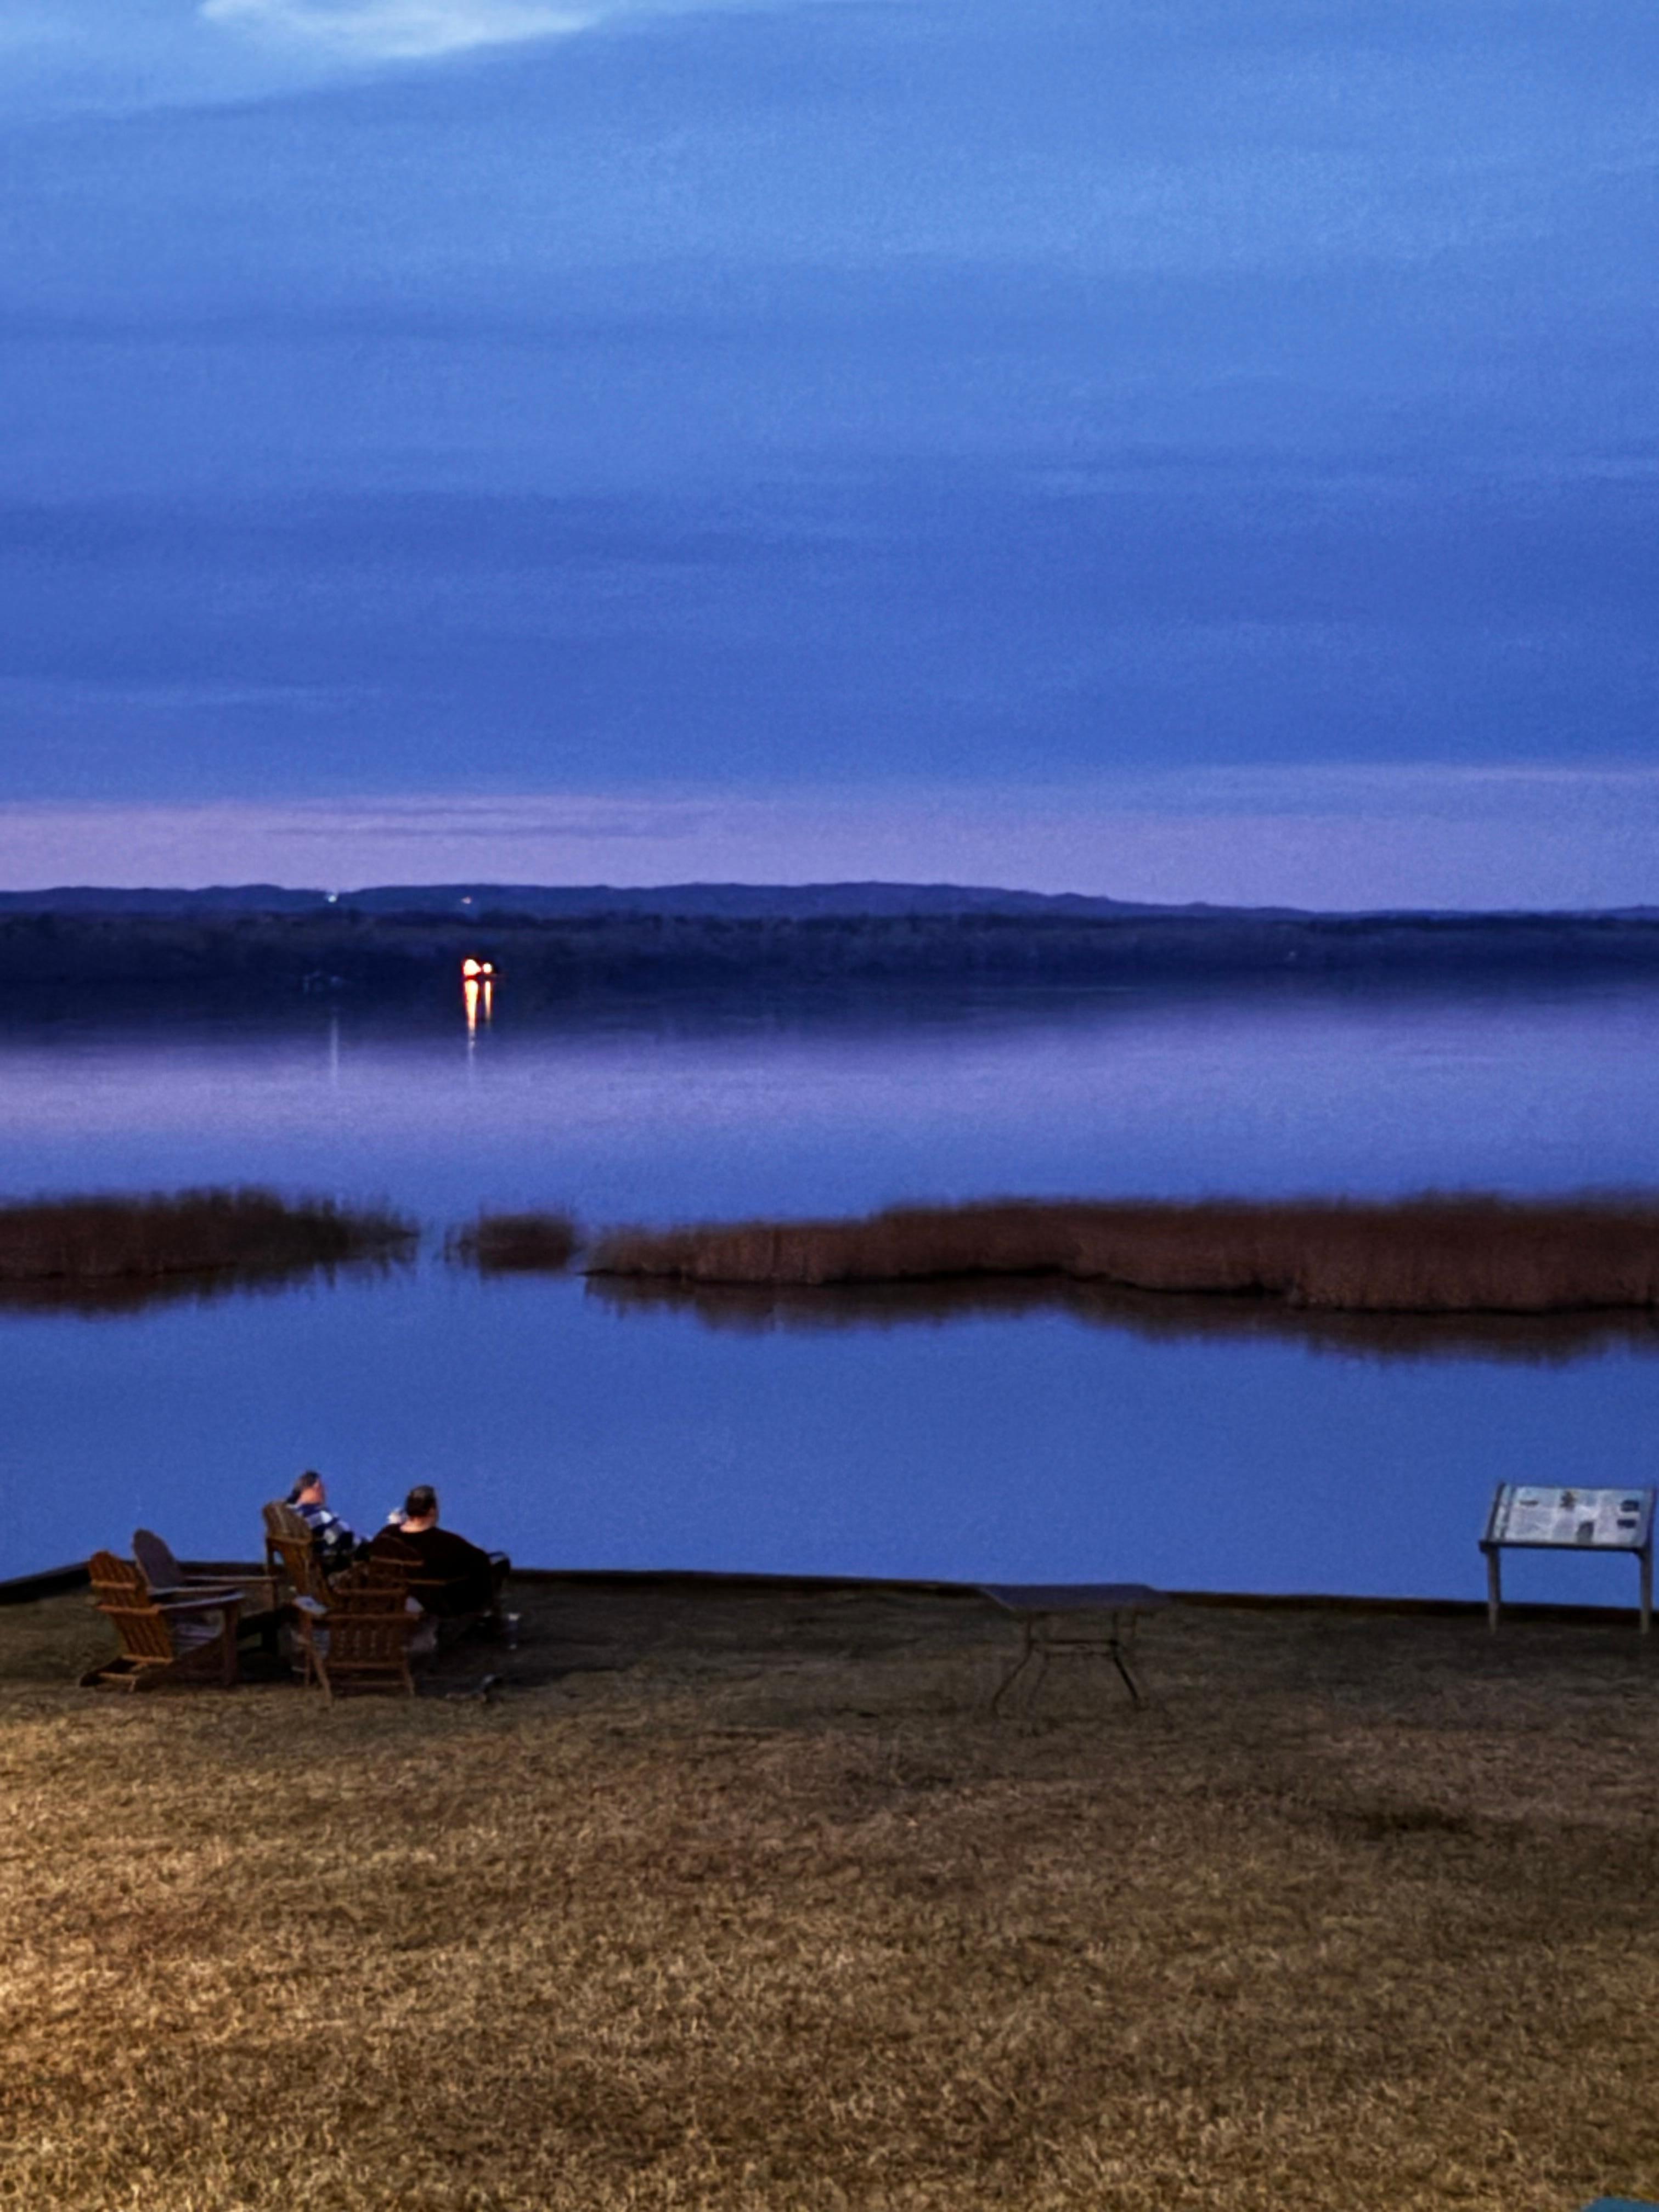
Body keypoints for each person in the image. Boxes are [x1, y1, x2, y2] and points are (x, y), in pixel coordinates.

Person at [370, 1485, 509, 1622]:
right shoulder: (446, 1542)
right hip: (436, 1603)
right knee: (497, 1562)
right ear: (432, 1510)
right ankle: (485, 1616)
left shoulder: (387, 1535)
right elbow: (480, 1560)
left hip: (395, 1595)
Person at [287, 1470, 364, 1573]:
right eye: (322, 1488)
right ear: (316, 1487)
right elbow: (343, 1537)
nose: (324, 1492)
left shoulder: (292, 1513)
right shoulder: (318, 1515)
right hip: (329, 1566)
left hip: (303, 1564)